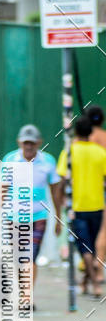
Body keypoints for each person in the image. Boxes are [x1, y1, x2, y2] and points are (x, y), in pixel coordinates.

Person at [0, 125, 61, 299]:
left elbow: (56, 191)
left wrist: (58, 217)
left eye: (32, 143)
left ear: (39, 143)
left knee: (30, 257)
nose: (29, 147)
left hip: (38, 218)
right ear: (19, 143)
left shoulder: (48, 162)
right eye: (26, 143)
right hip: (13, 218)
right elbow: (2, 191)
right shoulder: (10, 160)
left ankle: (26, 298)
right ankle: (21, 290)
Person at [56, 115, 106, 298]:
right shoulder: (100, 153)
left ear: (76, 132)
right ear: (91, 132)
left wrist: (60, 202)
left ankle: (94, 285)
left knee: (84, 247)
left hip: (76, 209)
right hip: (97, 207)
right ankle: (85, 282)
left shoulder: (69, 152)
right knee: (90, 246)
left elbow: (61, 182)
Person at [86, 104, 106, 283]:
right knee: (103, 231)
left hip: (86, 192)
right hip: (102, 189)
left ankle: (91, 270)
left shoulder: (83, 140)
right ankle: (98, 270)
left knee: (88, 232)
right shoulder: (105, 138)